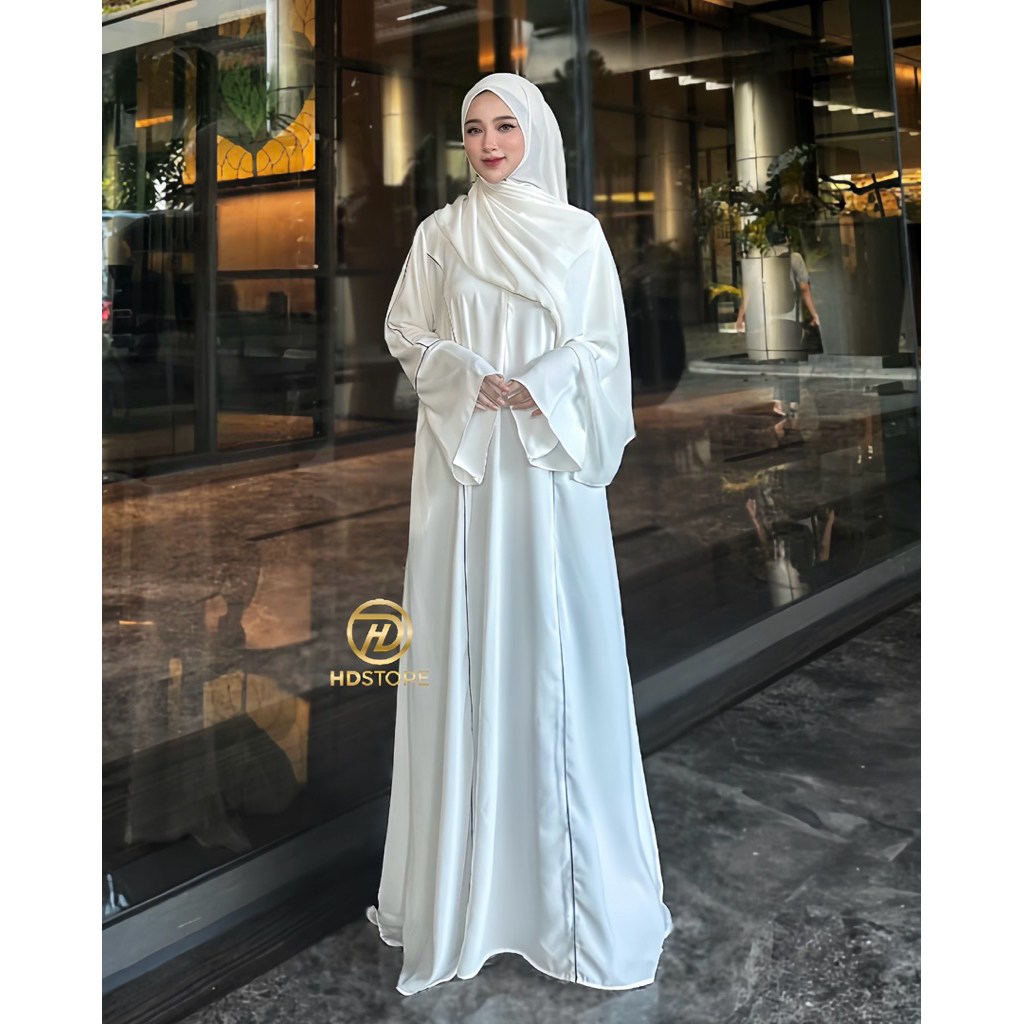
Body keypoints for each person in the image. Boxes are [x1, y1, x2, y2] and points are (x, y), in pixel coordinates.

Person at [365, 72, 673, 996]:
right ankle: (465, 895)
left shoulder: (577, 236)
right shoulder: (441, 234)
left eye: (505, 124)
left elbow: (604, 349)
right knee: (460, 655)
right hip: (463, 477)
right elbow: (405, 331)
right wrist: (466, 372)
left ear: (534, 131)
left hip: (544, 474)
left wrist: (539, 379)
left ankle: (569, 909)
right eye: (474, 128)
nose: (490, 142)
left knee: (556, 656)